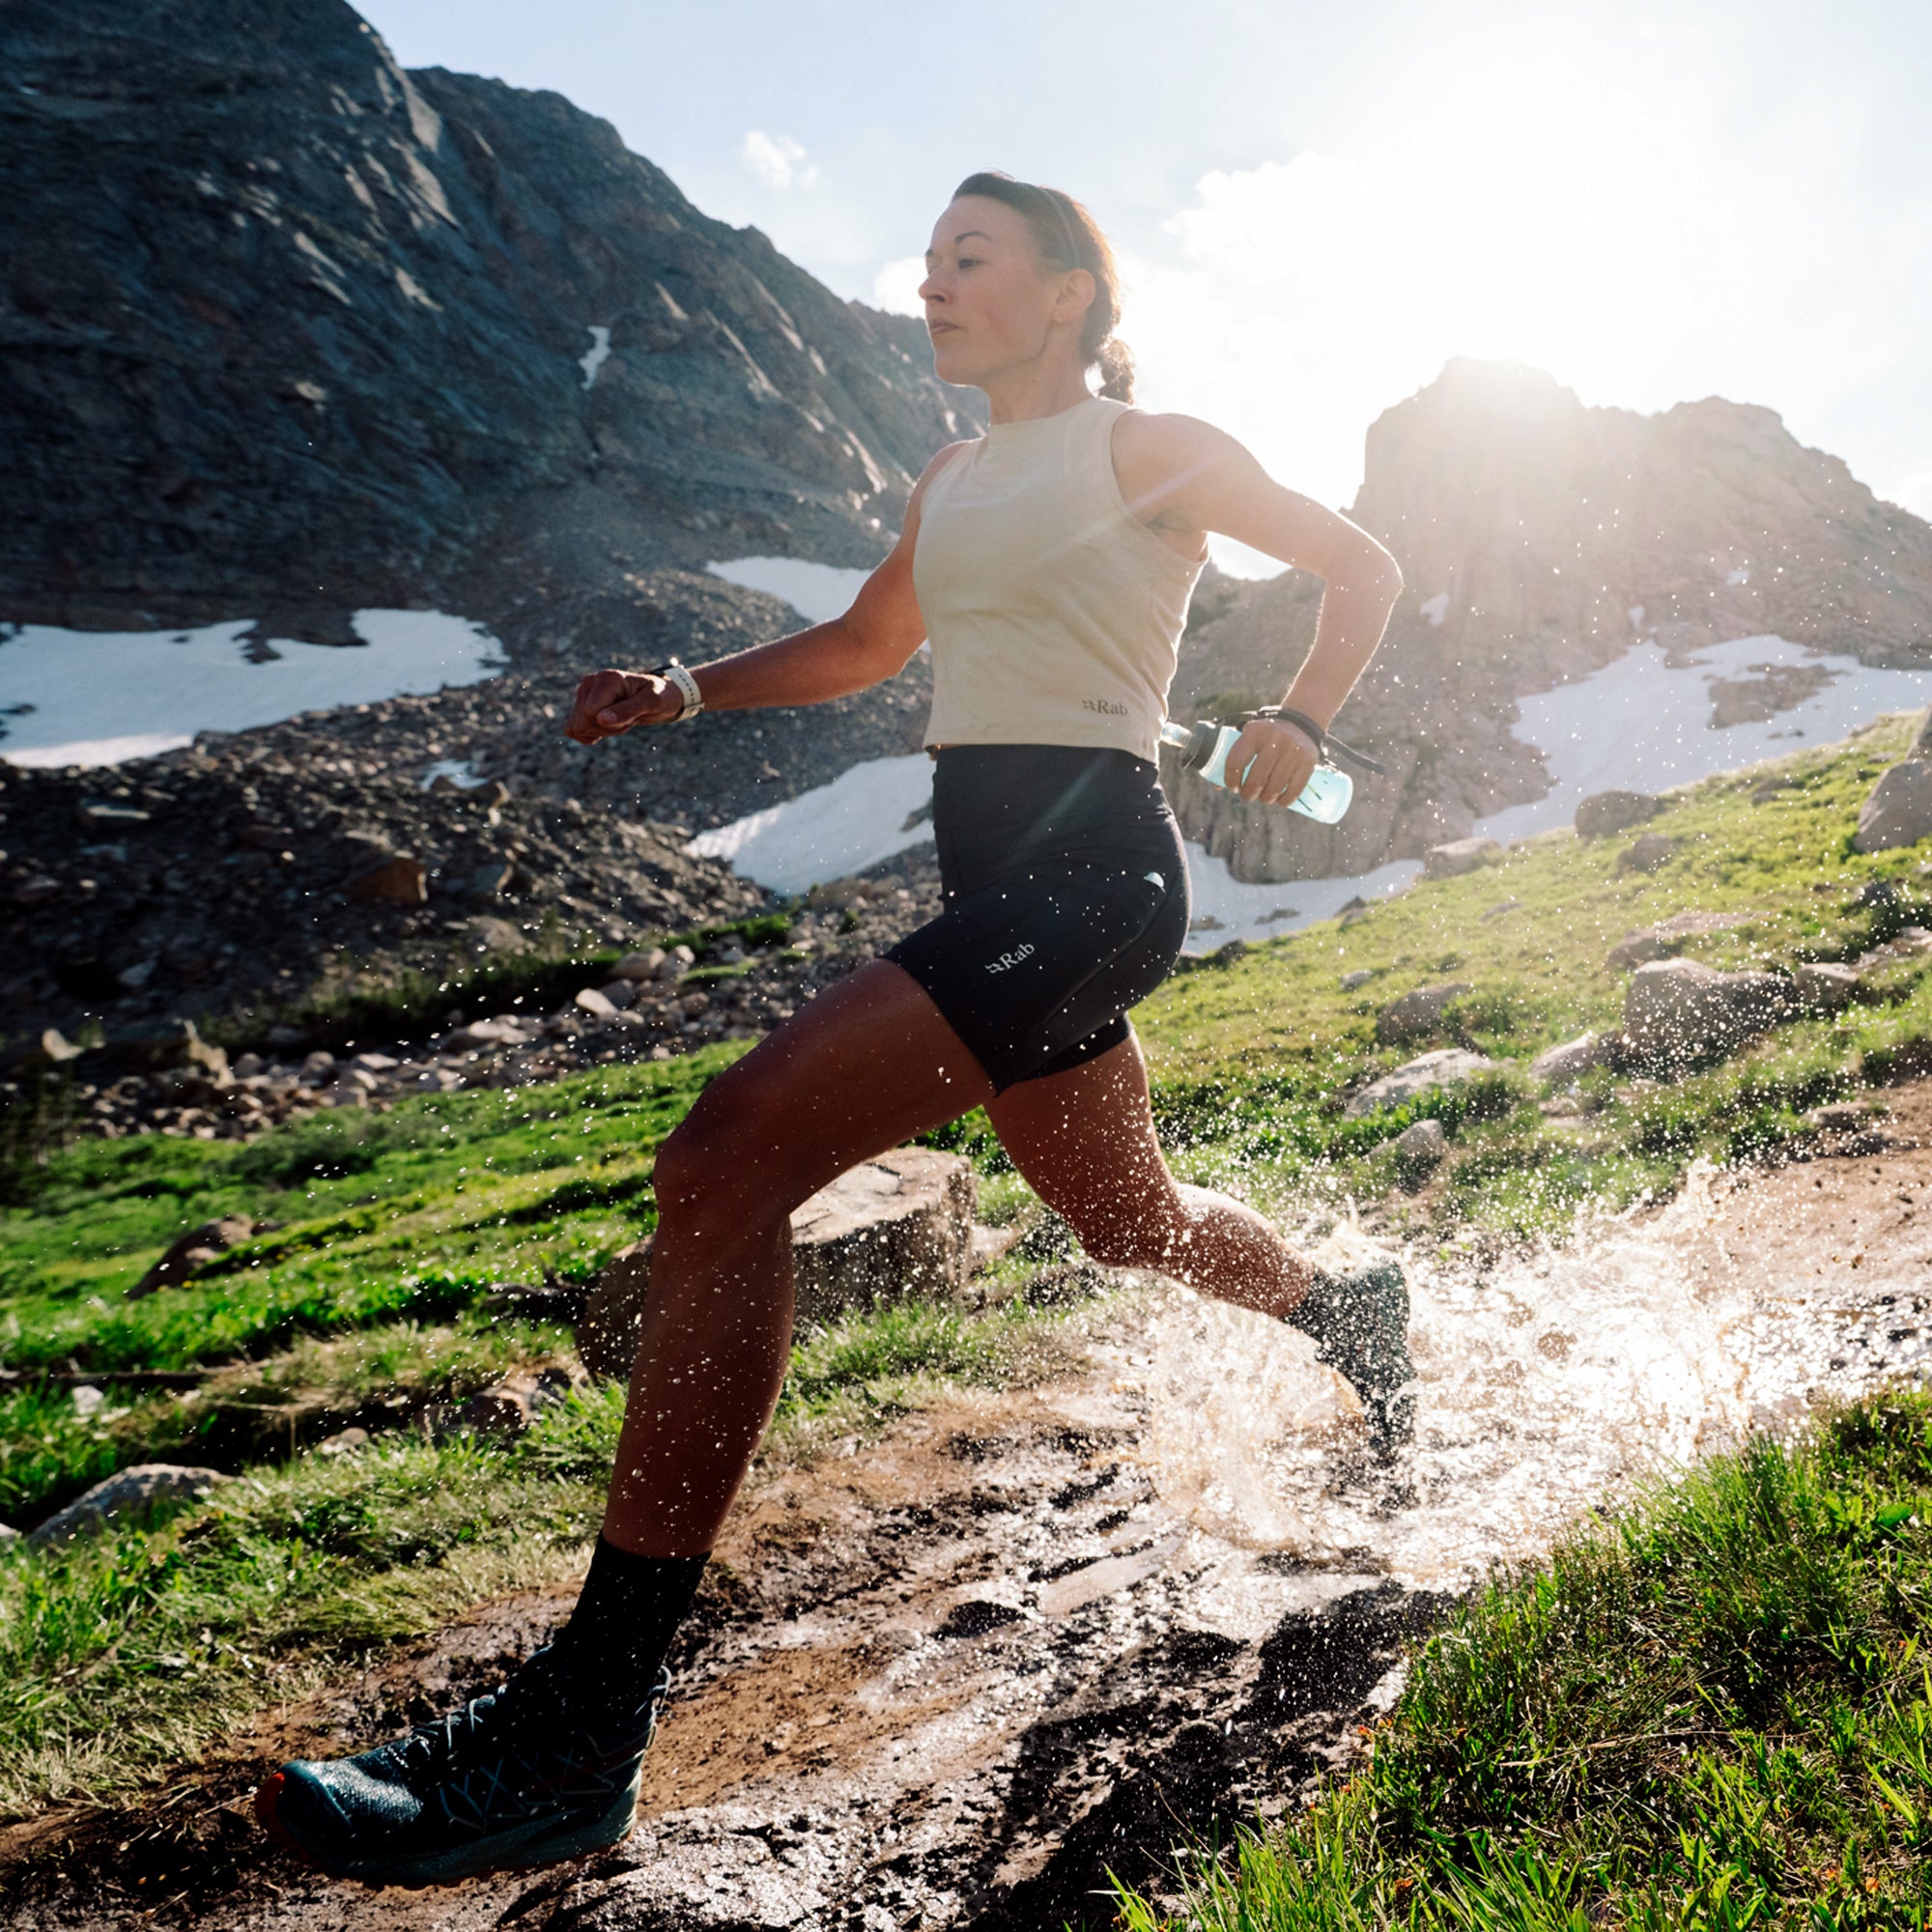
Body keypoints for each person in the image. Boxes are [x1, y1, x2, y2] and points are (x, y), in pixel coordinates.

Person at [255, 170, 1408, 1889]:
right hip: (999, 886)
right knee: (1129, 1221)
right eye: (930, 255)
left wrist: (1299, 719)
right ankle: (1355, 1308)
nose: (933, 280)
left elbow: (1361, 561)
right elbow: (875, 642)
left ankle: (584, 1729)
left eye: (973, 256)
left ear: (1074, 294)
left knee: (725, 1157)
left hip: (1089, 878)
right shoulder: (952, 476)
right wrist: (692, 691)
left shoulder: (1148, 447)